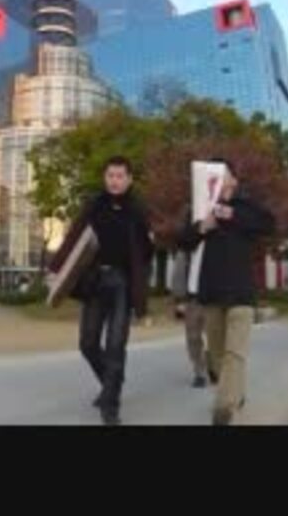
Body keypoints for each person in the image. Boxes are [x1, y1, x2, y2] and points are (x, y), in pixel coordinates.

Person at [49, 155, 154, 427]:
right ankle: (112, 382)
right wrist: (56, 267)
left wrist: (146, 247)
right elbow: (73, 237)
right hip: (95, 282)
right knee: (88, 343)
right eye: (110, 176)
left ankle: (110, 404)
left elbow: (146, 251)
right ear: (105, 178)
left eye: (120, 176)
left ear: (129, 179)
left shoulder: (138, 210)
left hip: (122, 284)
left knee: (116, 345)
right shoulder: (94, 205)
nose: (115, 181)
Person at [177, 159, 275, 426]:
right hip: (211, 294)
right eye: (211, 174)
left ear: (233, 181)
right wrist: (202, 227)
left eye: (222, 173)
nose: (216, 178)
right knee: (218, 357)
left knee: (235, 353)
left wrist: (231, 215)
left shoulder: (245, 207)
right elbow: (182, 241)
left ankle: (223, 408)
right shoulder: (199, 209)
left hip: (241, 293)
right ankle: (235, 393)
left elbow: (268, 224)